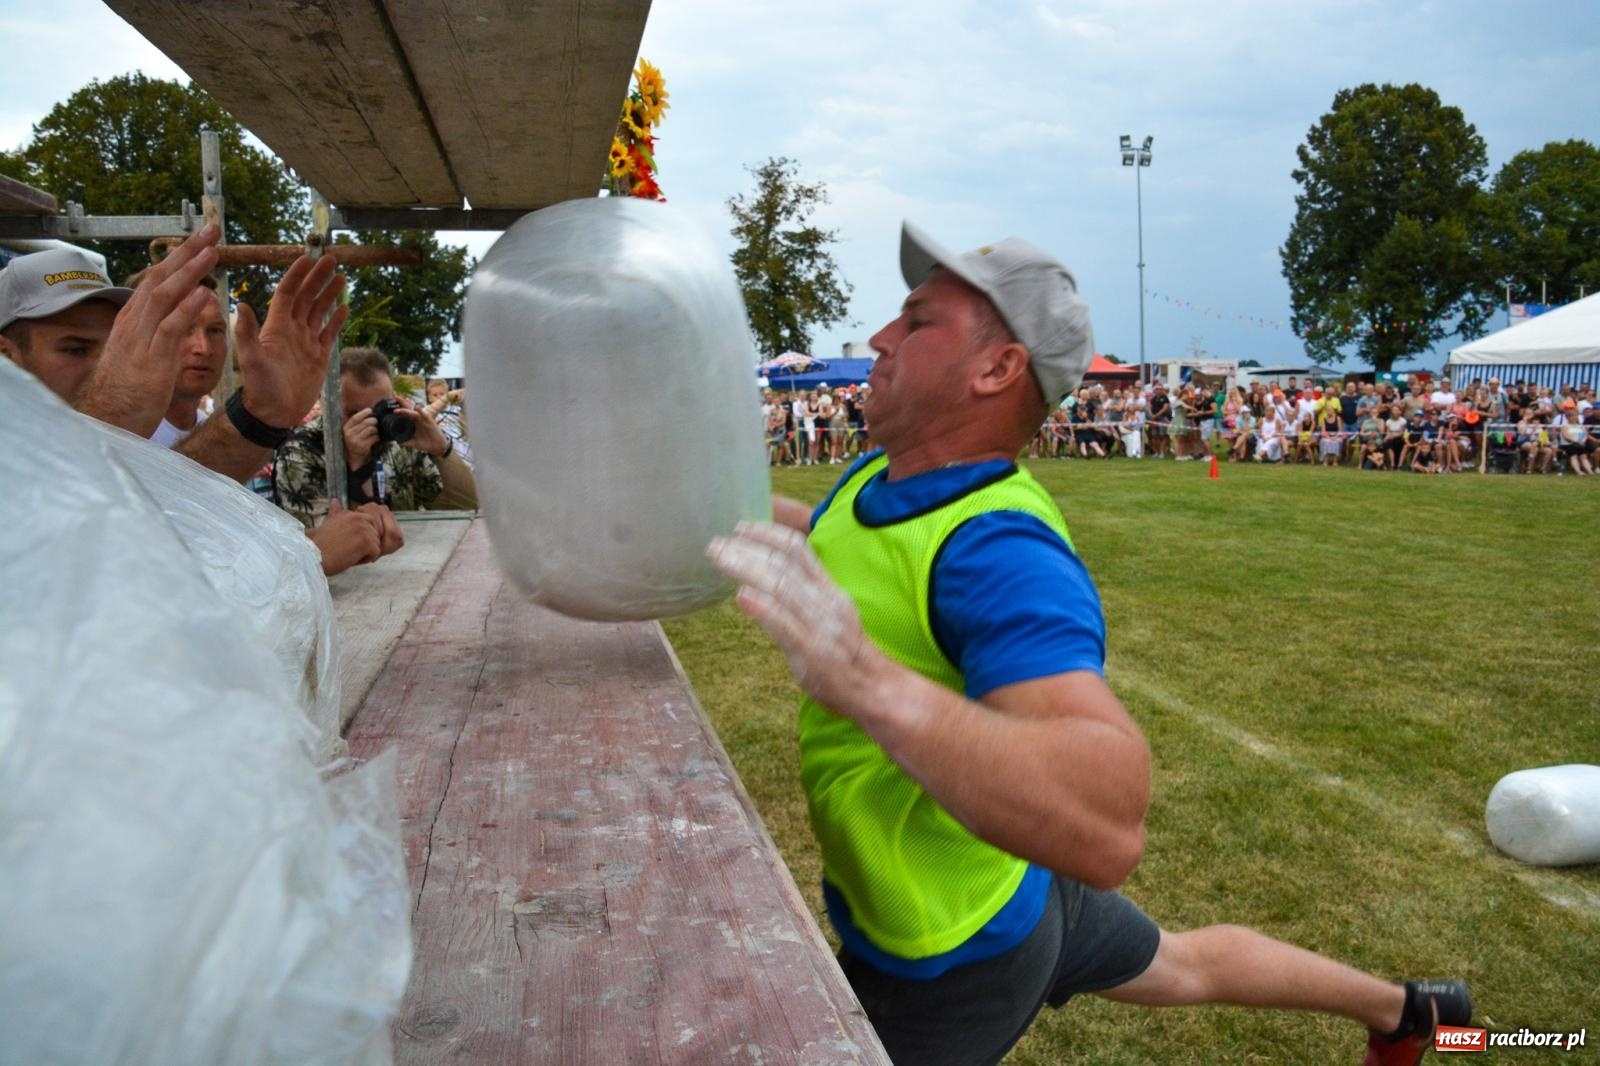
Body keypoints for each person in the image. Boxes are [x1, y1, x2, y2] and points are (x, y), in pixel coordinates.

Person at [707, 221, 1469, 1066]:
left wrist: (868, 683)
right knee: (1183, 966)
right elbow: (835, 542)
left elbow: (1107, 823)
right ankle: (1413, 1012)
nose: (881, 339)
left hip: (953, 951)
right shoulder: (879, 479)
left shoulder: (995, 548)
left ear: (998, 370)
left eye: (918, 322)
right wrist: (707, 510)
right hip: (1014, 878)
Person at [272, 346, 477, 527]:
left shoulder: (399, 440)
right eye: (355, 413)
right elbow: (342, 549)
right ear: (327, 407)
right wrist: (359, 466)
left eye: (380, 409)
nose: (372, 422)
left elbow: (468, 507)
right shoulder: (300, 453)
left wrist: (441, 447)